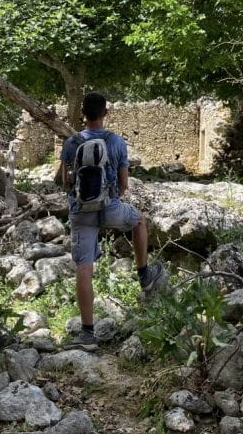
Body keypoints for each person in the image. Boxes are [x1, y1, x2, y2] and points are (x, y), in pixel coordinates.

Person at [60, 91, 166, 351]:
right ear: (105, 113)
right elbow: (124, 184)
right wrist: (111, 201)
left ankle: (87, 333)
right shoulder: (116, 142)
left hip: (81, 212)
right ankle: (144, 273)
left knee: (84, 267)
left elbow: (64, 182)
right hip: (111, 208)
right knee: (139, 220)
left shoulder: (71, 143)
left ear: (82, 114)